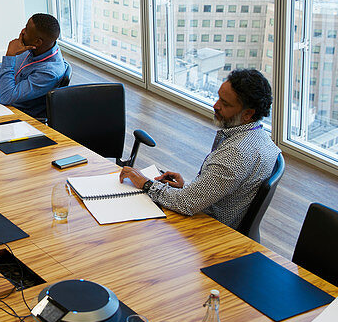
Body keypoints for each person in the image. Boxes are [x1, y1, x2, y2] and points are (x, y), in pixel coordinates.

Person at [119, 68, 281, 231]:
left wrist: (147, 184)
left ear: (248, 114)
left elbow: (186, 203)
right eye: (218, 98)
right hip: (209, 215)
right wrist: (190, 188)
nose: (215, 105)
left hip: (207, 230)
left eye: (225, 104)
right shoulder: (261, 139)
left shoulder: (236, 154)